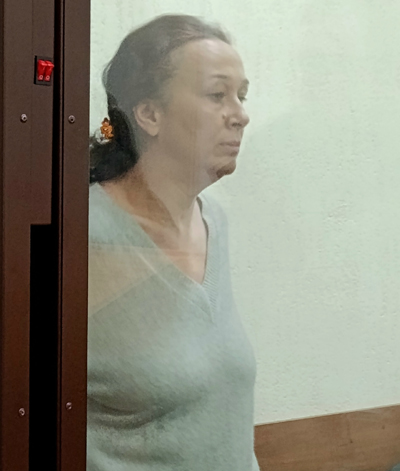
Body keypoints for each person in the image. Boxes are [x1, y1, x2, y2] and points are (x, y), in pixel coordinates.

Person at [87, 14, 259, 471]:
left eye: (241, 96)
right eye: (217, 95)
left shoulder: (214, 222)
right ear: (149, 114)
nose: (240, 115)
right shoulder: (83, 232)